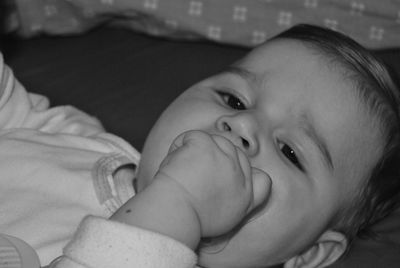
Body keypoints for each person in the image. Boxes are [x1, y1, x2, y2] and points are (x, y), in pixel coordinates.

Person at [0, 24, 399, 268]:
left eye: (290, 152)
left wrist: (178, 205)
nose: (242, 123)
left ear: (310, 253)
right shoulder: (80, 140)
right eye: (233, 99)